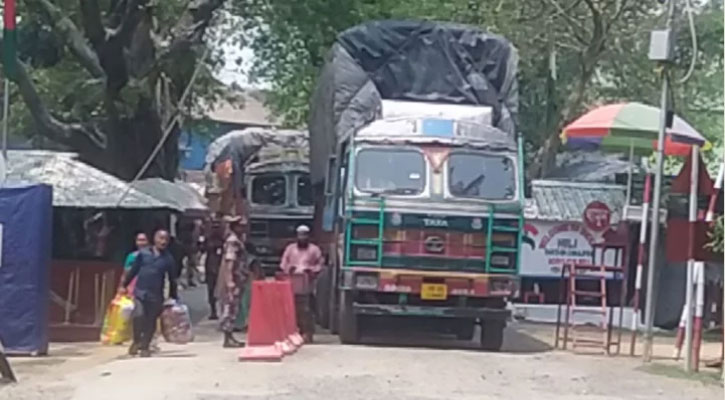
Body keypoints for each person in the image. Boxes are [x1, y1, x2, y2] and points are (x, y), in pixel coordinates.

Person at [120, 229, 178, 357]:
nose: (163, 242)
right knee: (138, 316)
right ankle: (136, 341)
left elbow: (172, 278)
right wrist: (124, 285)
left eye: (165, 240)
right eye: (160, 238)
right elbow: (133, 271)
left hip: (156, 295)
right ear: (155, 239)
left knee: (151, 321)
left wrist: (173, 296)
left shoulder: (168, 259)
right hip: (140, 291)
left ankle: (145, 346)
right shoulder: (144, 254)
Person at [279, 225, 323, 342]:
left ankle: (307, 333)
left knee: (306, 310)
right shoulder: (290, 249)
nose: (302, 237)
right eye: (300, 235)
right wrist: (289, 268)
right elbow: (283, 264)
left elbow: (320, 265)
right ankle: (293, 332)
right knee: (292, 310)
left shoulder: (314, 250)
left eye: (304, 235)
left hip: (307, 286)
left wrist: (311, 270)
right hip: (292, 284)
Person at [216, 216, 249, 348]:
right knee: (230, 308)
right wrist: (230, 281)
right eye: (241, 225)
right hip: (234, 279)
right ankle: (227, 337)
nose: (244, 228)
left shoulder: (238, 240)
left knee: (233, 307)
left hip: (238, 278)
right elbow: (230, 262)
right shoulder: (233, 241)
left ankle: (229, 337)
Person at [204, 219, 225, 320]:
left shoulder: (225, 240)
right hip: (211, 266)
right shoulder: (208, 239)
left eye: (218, 226)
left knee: (222, 290)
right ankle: (213, 310)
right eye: (214, 226)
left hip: (221, 266)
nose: (215, 228)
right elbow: (201, 248)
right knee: (211, 290)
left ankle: (222, 311)